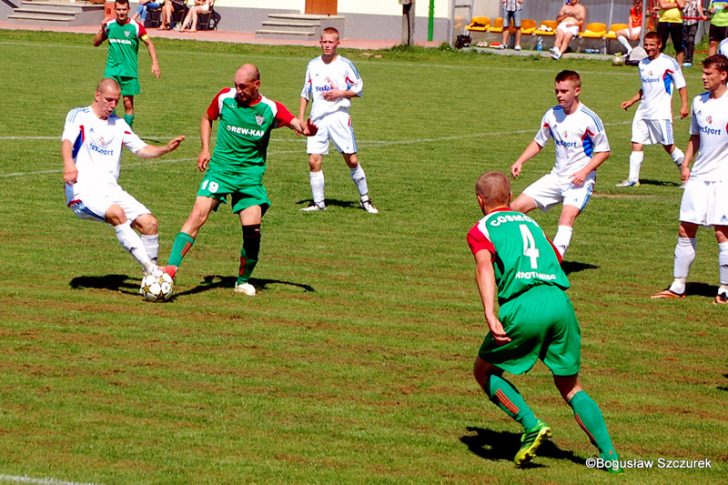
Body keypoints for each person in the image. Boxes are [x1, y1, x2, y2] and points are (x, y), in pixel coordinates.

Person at [467, 171, 621, 470]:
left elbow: (484, 266)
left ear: (479, 200)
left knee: (484, 371)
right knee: (570, 385)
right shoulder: (532, 223)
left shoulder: (481, 228)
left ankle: (531, 424)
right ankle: (610, 456)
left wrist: (490, 312)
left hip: (525, 306)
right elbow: (555, 258)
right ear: (510, 197)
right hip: (559, 302)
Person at [162, 64, 317, 296]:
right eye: (236, 85)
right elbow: (207, 118)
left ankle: (242, 281)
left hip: (249, 177)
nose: (238, 90)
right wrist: (205, 149)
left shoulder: (270, 109)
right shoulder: (225, 98)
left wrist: (308, 130)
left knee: (252, 233)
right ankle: (169, 272)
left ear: (257, 85)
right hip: (220, 170)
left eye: (243, 86)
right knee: (197, 216)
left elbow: (298, 125)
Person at [62, 79, 184, 279]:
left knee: (149, 223)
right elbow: (67, 140)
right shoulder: (79, 115)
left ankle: (149, 279)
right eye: (108, 100)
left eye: (116, 101)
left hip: (110, 191)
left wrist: (165, 149)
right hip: (82, 192)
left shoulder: (119, 124)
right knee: (117, 213)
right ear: (97, 95)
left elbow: (142, 149)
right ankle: (153, 272)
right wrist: (68, 164)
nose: (112, 105)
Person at [652, 55, 728, 304]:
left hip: (723, 178)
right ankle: (677, 286)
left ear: (723, 75)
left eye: (709, 73)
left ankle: (725, 289)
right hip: (699, 176)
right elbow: (695, 136)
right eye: (703, 73)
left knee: (722, 233)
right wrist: (686, 163)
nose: (704, 77)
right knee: (686, 228)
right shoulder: (699, 102)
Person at [510, 70, 610, 258]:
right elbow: (539, 141)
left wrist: (584, 172)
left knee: (566, 218)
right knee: (514, 209)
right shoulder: (551, 115)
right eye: (556, 91)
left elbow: (604, 151)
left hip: (580, 181)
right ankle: (519, 253)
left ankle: (554, 264)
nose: (559, 95)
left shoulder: (589, 118)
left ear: (577, 90)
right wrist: (520, 161)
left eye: (564, 91)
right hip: (556, 177)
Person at [298, 27, 379, 214]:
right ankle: (319, 203)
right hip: (317, 120)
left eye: (330, 42)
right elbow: (305, 94)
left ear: (337, 43)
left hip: (338, 117)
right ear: (320, 42)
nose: (327, 45)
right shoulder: (313, 65)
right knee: (314, 160)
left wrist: (340, 92)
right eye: (324, 42)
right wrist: (301, 119)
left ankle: (365, 199)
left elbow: (358, 89)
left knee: (351, 159)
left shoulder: (345, 65)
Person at [616, 31, 689, 187]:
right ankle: (632, 179)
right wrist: (631, 101)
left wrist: (684, 105)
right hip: (643, 111)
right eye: (646, 44)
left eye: (651, 45)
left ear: (659, 45)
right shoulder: (642, 64)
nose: (648, 48)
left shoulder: (669, 63)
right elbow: (645, 88)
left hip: (660, 112)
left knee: (668, 146)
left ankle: (688, 177)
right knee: (636, 143)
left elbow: (681, 85)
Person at [93, 0, 160, 128]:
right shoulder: (109, 25)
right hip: (112, 71)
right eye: (118, 9)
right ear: (115, 10)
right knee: (108, 102)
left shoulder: (136, 27)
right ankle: (111, 128)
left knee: (128, 104)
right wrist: (102, 29)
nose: (121, 12)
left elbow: (149, 43)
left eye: (124, 9)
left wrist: (155, 63)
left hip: (129, 72)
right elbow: (95, 42)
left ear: (128, 10)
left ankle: (126, 132)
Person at [656, 0, 686, 66]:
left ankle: (679, 70)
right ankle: (657, 66)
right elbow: (663, 5)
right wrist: (676, 5)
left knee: (679, 47)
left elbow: (682, 5)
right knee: (659, 45)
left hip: (677, 22)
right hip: (663, 22)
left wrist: (669, 5)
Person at [682, 0, 706, 67]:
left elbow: (699, 7)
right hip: (684, 22)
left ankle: (690, 59)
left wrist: (702, 15)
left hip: (693, 22)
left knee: (691, 40)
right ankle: (685, 59)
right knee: (685, 40)